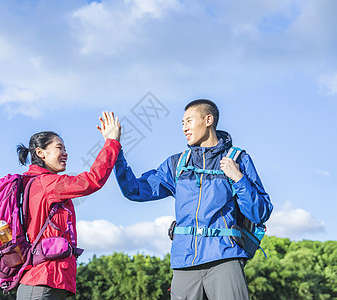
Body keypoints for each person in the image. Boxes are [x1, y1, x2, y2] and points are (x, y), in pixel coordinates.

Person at [113, 99, 273, 300]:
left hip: (225, 257)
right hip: (184, 262)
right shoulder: (177, 164)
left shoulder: (238, 159)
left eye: (188, 121)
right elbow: (134, 190)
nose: (184, 128)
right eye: (182, 123)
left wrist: (239, 178)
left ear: (208, 120)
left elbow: (261, 212)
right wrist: (115, 149)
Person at [16, 111, 121, 300]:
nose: (65, 153)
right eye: (59, 148)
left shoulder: (40, 184)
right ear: (41, 153)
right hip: (41, 283)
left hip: (47, 282)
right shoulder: (46, 184)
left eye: (65, 148)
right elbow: (91, 180)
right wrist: (111, 142)